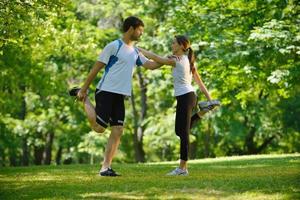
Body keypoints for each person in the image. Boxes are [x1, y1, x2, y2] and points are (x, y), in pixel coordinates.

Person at [69, 16, 161, 176]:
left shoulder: (136, 51)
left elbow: (151, 65)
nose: (141, 34)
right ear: (131, 29)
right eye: (140, 30)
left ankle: (105, 168)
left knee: (118, 130)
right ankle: (83, 96)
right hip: (106, 91)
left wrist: (169, 60)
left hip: (121, 95)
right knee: (99, 128)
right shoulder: (114, 46)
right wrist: (84, 89)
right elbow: (95, 69)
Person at [137, 35, 219, 176]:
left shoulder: (177, 60)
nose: (171, 44)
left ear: (181, 46)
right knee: (180, 130)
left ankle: (182, 168)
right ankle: (202, 111)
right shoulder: (188, 60)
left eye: (174, 43)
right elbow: (199, 83)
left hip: (185, 97)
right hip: (190, 97)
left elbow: (156, 58)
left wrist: (138, 49)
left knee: (183, 133)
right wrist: (209, 99)